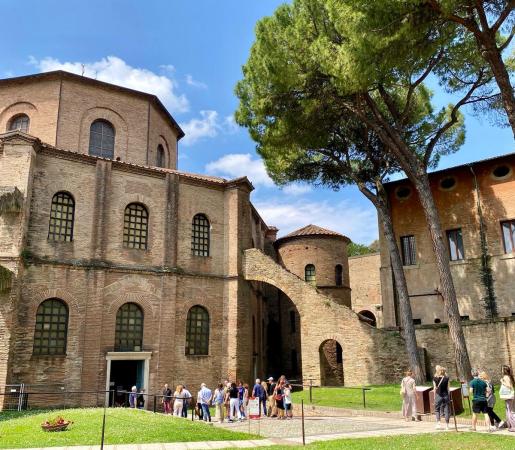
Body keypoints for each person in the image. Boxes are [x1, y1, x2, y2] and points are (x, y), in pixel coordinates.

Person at [500, 365, 515, 431]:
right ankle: (511, 426)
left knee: (510, 411)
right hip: (510, 396)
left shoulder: (506, 377)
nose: (501, 371)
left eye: (502, 369)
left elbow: (509, 386)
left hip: (509, 396)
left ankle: (513, 426)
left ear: (504, 370)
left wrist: (502, 382)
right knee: (510, 410)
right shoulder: (509, 376)